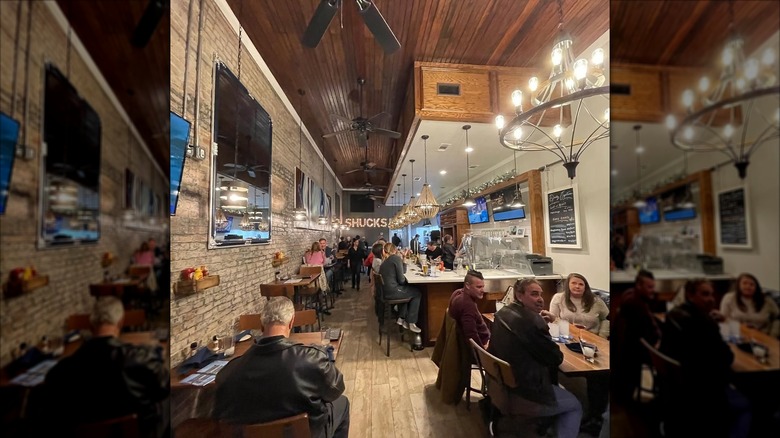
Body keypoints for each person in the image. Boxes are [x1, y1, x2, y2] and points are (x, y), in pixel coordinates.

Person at [214, 297, 349, 438]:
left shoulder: (228, 373)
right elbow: (336, 389)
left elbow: (222, 414)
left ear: (261, 325)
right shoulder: (311, 359)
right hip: (308, 433)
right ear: (291, 322)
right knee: (343, 403)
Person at [43, 296, 169, 438]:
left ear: (91, 326)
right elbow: (163, 388)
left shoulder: (59, 371)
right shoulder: (141, 357)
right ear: (120, 323)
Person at [488, 278, 582, 438]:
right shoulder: (532, 322)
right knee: (575, 405)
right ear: (519, 295)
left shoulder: (502, 313)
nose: (540, 299)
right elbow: (555, 358)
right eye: (533, 294)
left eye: (540, 294)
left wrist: (541, 326)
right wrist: (543, 329)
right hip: (526, 395)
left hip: (500, 387)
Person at [660, 279, 751, 438]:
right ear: (690, 295)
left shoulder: (674, 314)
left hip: (678, 390)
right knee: (749, 404)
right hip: (703, 392)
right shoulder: (704, 324)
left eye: (711, 294)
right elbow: (727, 358)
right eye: (705, 294)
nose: (711, 299)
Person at [611, 269, 661, 405]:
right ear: (639, 286)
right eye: (649, 287)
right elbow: (652, 333)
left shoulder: (629, 295)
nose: (652, 290)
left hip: (627, 350)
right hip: (637, 352)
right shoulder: (636, 304)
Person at [378, 243, 422, 333]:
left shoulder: (386, 261)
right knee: (417, 293)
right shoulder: (395, 258)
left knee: (407, 290)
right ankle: (411, 322)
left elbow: (403, 271)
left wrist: (404, 260)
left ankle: (401, 318)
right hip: (393, 292)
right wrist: (402, 260)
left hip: (386, 292)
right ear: (395, 250)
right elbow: (401, 280)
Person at [549, 273, 610, 338]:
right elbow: (553, 320)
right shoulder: (558, 298)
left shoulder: (596, 301)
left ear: (585, 287)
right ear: (568, 285)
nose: (577, 286)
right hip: (567, 338)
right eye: (573, 283)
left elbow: (606, 319)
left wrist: (602, 336)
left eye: (581, 284)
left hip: (593, 338)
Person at [720, 273, 779, 337]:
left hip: (763, 336)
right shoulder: (729, 298)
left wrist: (773, 335)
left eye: (752, 284)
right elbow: (723, 320)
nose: (748, 286)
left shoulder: (767, 301)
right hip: (736, 335)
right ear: (738, 285)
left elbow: (777, 317)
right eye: (744, 283)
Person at [448, 270, 490, 349]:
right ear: (467, 285)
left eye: (483, 286)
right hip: (484, 346)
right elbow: (471, 336)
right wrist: (483, 351)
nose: (483, 290)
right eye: (479, 287)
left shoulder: (457, 293)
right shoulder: (467, 305)